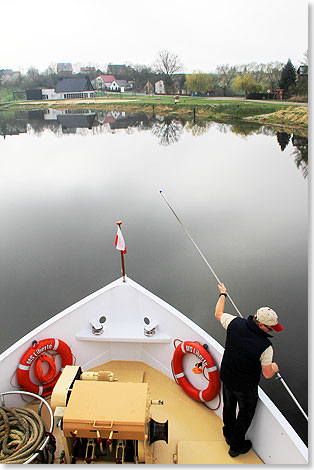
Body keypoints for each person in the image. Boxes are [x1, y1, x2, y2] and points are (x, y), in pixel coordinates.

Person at [215, 282, 284, 458]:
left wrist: (223, 294)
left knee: (229, 406)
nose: (272, 331)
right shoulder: (266, 347)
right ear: (261, 325)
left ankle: (228, 433)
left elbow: (218, 314)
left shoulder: (234, 323)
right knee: (245, 414)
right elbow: (267, 374)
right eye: (270, 328)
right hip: (245, 388)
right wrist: (275, 367)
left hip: (227, 376)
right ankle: (236, 446)